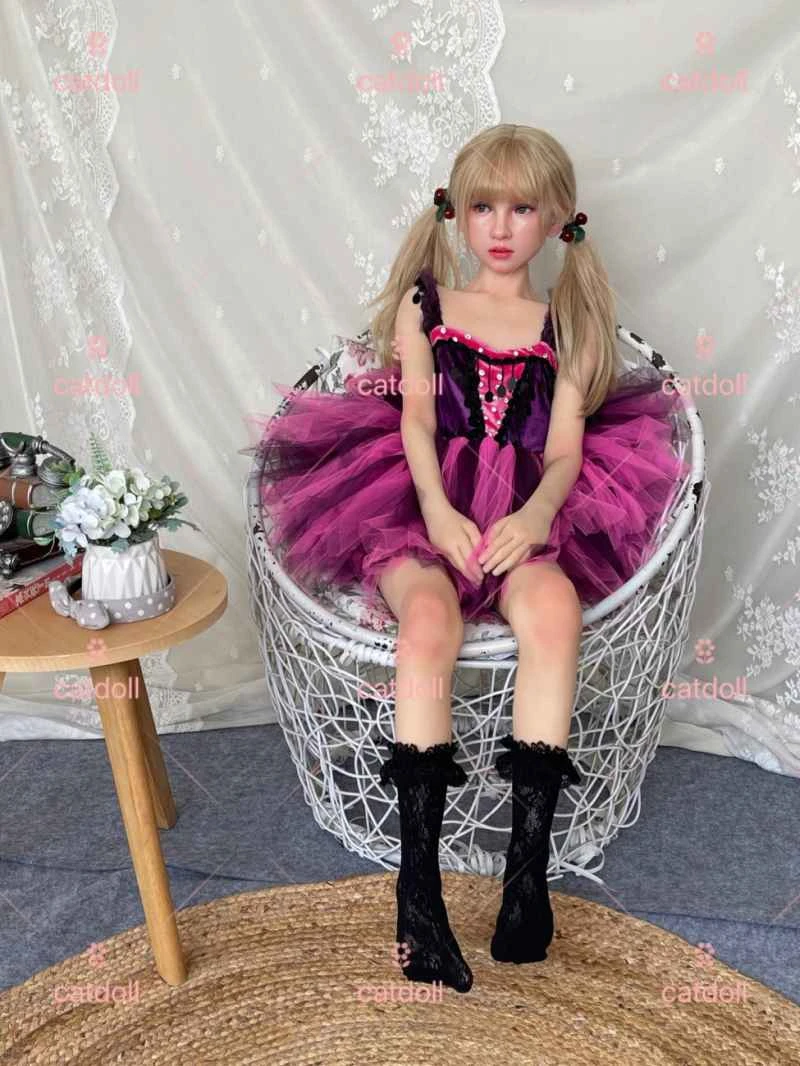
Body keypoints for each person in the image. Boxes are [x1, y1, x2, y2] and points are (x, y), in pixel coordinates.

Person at [245, 124, 691, 994]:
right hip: (416, 505)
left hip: (524, 513)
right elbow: (415, 421)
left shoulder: (570, 322)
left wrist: (535, 515)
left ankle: (527, 878)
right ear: (457, 212)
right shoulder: (428, 305)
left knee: (554, 611)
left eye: (523, 209)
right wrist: (439, 511)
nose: (501, 227)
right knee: (427, 619)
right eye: (484, 206)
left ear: (558, 219)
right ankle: (418, 896)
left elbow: (564, 452)